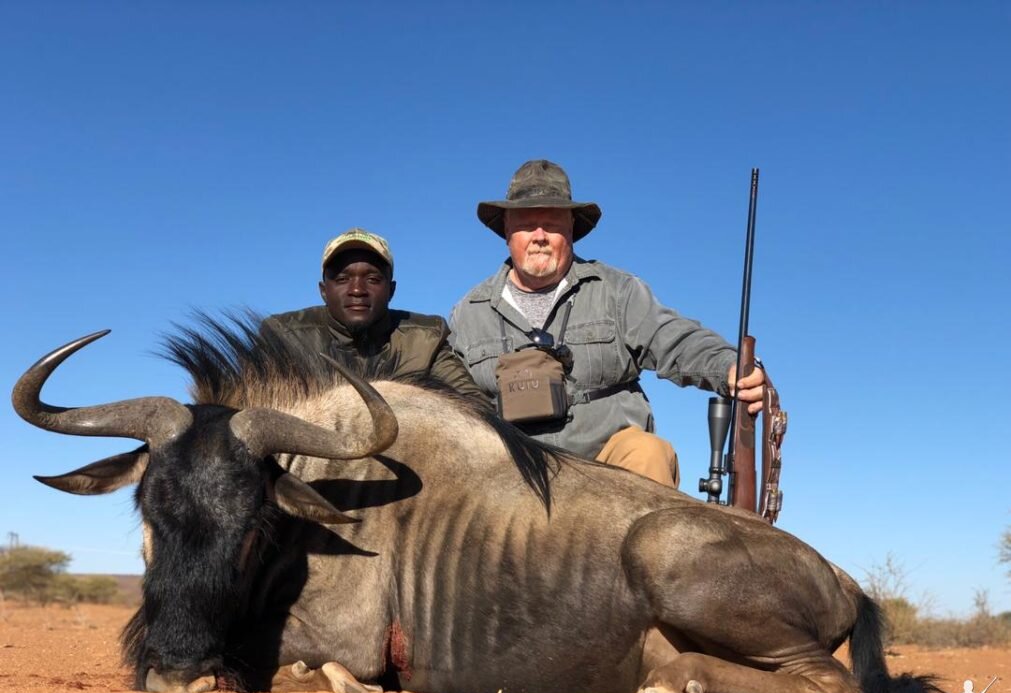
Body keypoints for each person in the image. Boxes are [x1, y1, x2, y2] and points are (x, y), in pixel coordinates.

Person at [449, 160, 766, 488]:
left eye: (552, 224)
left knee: (647, 452)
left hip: (604, 467)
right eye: (527, 224)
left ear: (571, 230)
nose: (540, 236)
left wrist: (729, 367)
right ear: (507, 232)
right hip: (511, 473)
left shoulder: (618, 291)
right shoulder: (468, 313)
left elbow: (674, 338)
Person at [264, 227, 487, 402]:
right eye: (342, 279)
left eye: (372, 279)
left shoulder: (427, 340)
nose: (357, 290)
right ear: (323, 291)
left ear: (391, 290)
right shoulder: (283, 338)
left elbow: (476, 409)